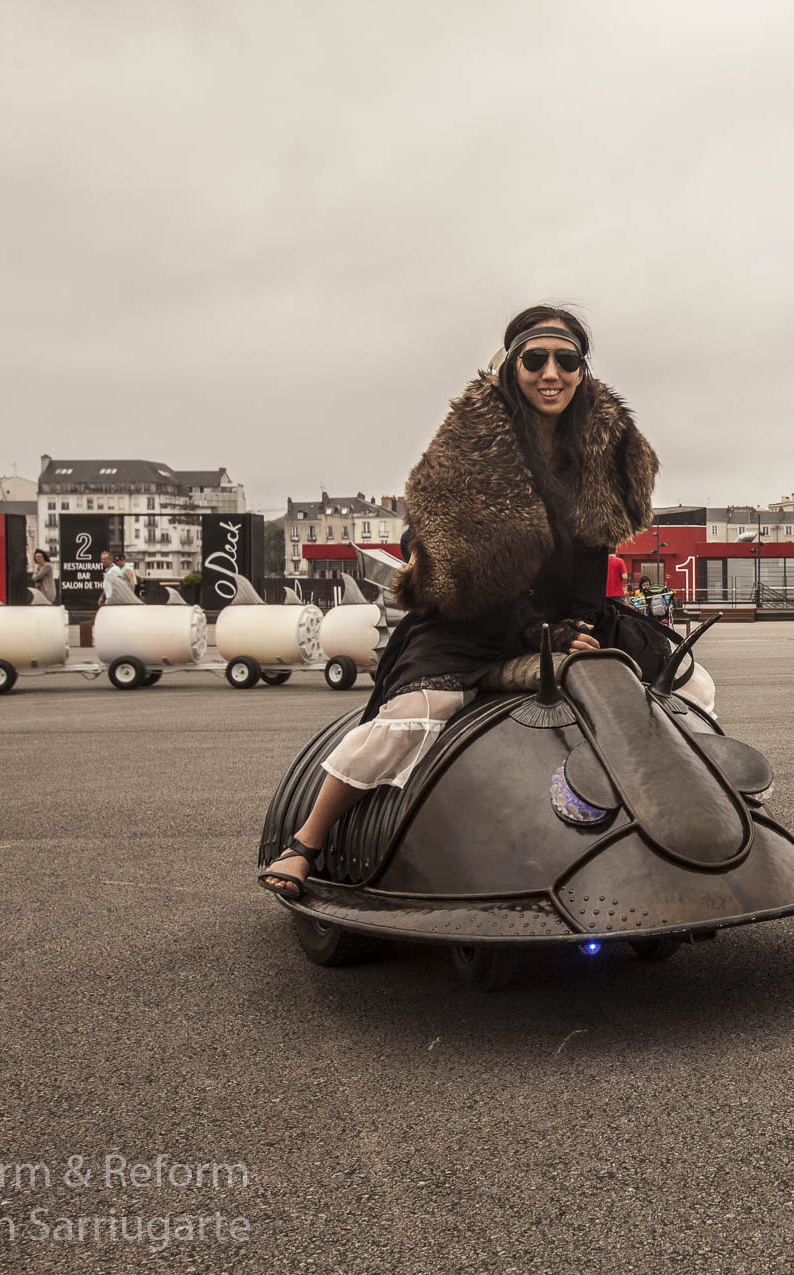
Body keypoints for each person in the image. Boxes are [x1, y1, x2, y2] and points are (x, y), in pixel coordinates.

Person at [260, 304, 658, 899]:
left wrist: (578, 622)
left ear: (582, 369)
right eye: (535, 359)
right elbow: (460, 566)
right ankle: (306, 842)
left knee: (687, 684)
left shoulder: (605, 443)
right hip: (471, 615)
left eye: (567, 360)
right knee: (413, 716)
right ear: (513, 365)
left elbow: (593, 550)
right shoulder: (470, 443)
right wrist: (533, 634)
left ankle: (706, 828)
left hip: (563, 616)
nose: (551, 373)